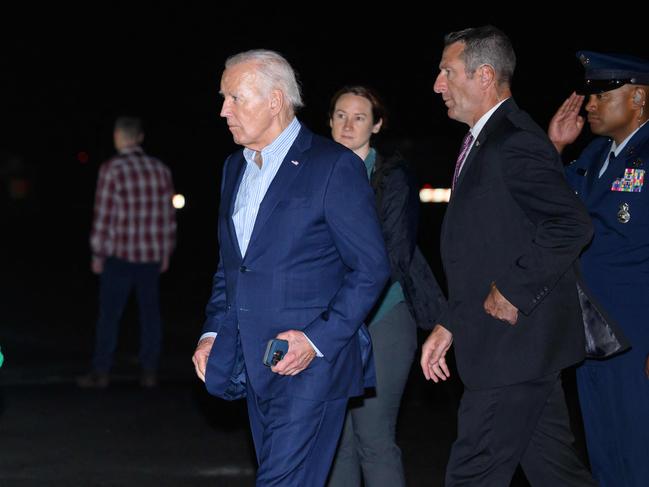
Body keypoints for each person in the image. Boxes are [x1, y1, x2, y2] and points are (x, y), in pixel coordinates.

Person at [191, 50, 390, 487]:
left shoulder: (332, 166)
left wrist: (315, 340)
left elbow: (372, 268)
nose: (224, 110)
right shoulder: (233, 169)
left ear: (275, 101)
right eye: (224, 98)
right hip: (252, 366)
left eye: (235, 98)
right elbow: (232, 269)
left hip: (310, 368)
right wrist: (211, 334)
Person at [420, 25, 597, 486]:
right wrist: (451, 321)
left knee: (472, 475)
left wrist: (515, 290)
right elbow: (488, 247)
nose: (438, 84)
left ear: (483, 76)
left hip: (510, 349)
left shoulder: (513, 140)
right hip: (516, 350)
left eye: (447, 72)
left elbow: (570, 223)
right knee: (558, 474)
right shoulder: (486, 139)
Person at [326, 86, 446, 487]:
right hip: (328, 324)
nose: (347, 124)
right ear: (328, 121)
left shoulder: (392, 176)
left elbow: (393, 257)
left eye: (359, 117)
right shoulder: (313, 172)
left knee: (373, 437)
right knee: (336, 440)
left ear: (376, 125)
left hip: (382, 315)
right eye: (340, 115)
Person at [548, 51, 649, 487]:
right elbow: (550, 206)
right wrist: (554, 147)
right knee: (605, 450)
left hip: (638, 336)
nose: (588, 104)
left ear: (639, 97)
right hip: (592, 331)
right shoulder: (593, 155)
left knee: (639, 450)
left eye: (602, 94)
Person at [78, 117, 176, 389]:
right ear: (140, 137)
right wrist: (166, 251)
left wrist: (98, 254)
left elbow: (104, 217)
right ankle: (149, 371)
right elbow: (168, 216)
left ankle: (101, 372)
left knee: (110, 315)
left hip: (119, 256)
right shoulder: (161, 170)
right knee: (150, 315)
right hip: (150, 257)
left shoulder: (112, 169)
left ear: (119, 137)